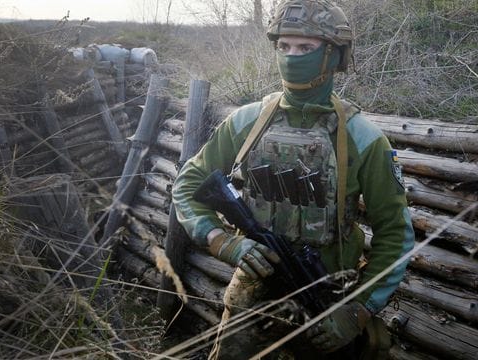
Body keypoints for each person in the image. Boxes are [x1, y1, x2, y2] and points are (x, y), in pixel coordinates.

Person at [172, 0, 415, 358]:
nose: (291, 56)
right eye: (283, 46)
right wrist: (225, 243)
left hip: (325, 304)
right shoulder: (246, 122)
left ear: (333, 55)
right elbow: (187, 185)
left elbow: (395, 234)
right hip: (251, 300)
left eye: (305, 47)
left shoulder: (363, 138)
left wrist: (356, 312)